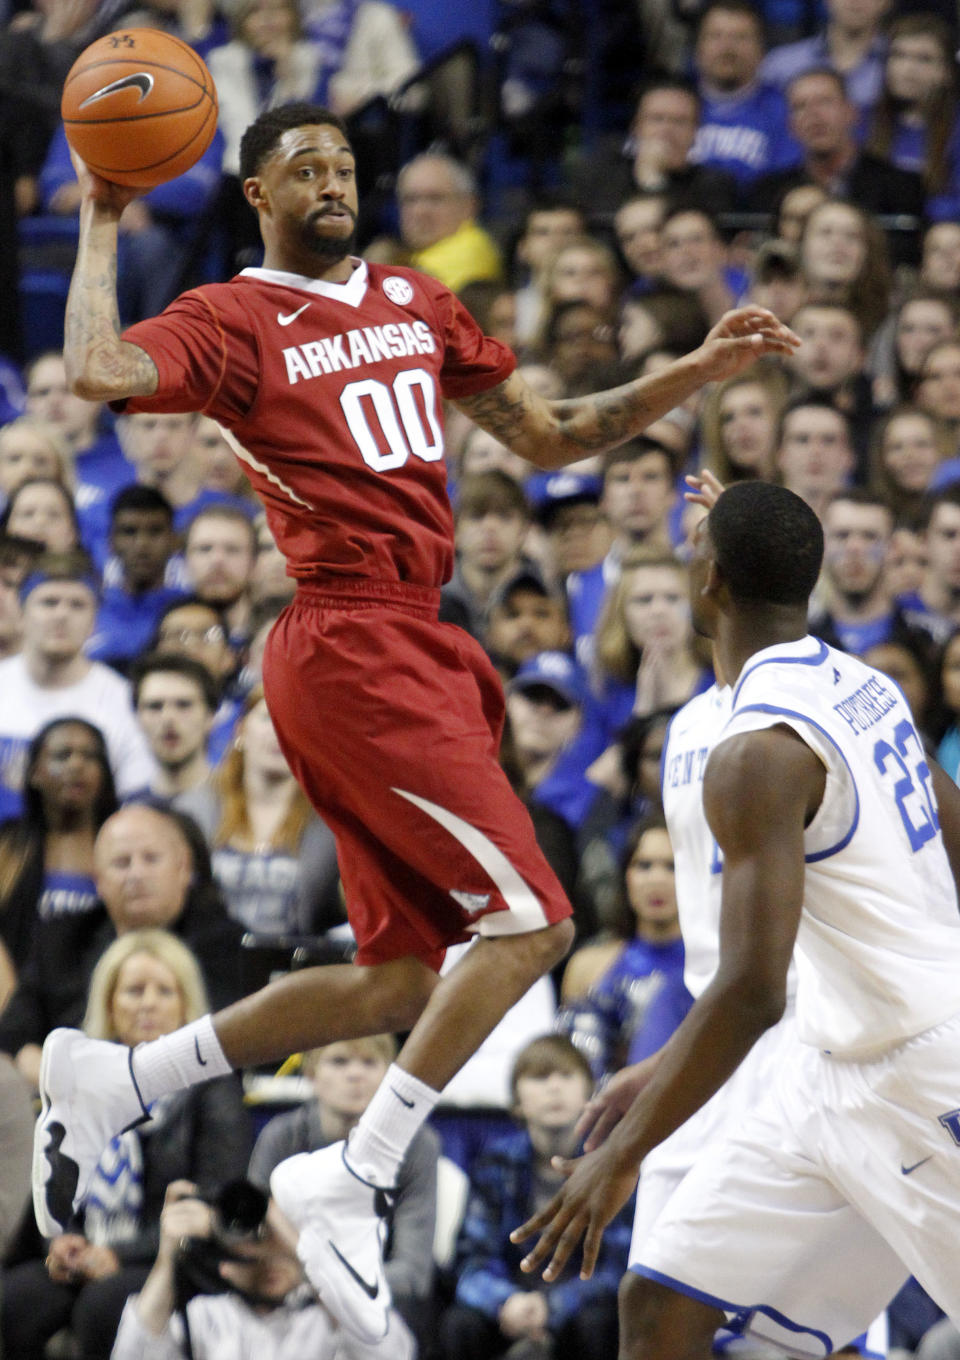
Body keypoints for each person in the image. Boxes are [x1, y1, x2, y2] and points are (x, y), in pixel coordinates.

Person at [34, 98, 797, 1350]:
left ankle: (120, 1076)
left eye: (342, 164)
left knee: (404, 975)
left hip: (420, 635)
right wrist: (104, 216)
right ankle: (354, 1171)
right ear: (257, 195)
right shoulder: (233, 318)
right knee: (538, 917)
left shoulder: (414, 301)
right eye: (302, 168)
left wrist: (697, 370)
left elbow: (551, 438)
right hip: (348, 638)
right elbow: (100, 371)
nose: (332, 180)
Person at [512, 477, 960, 1358]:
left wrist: (621, 1156)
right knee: (660, 1302)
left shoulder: (754, 754)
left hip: (918, 1071)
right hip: (823, 1069)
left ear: (707, 578)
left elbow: (751, 988)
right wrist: (671, 1067)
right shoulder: (862, 684)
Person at [1, 929, 250, 1360]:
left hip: (171, 1259)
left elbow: (212, 1199)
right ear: (110, 1005)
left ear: (187, 1005)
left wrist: (116, 1253)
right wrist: (63, 1240)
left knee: (104, 1309)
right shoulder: (81, 1082)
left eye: (164, 991)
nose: (148, 1003)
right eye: (134, 991)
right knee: (16, 1301)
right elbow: (55, 1175)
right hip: (87, 1250)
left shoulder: (213, 1088)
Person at [438, 1034, 632, 1360]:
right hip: (512, 1305)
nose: (554, 1087)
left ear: (590, 1093)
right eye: (540, 1077)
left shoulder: (610, 1166)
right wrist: (506, 1302)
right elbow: (472, 1259)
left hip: (579, 1309)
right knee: (460, 1324)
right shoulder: (495, 1162)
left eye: (567, 1076)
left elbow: (618, 1267)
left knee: (598, 1323)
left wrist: (552, 1306)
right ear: (517, 1101)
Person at [247, 1034, 438, 1349]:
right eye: (339, 1061)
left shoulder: (417, 1145)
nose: (355, 1074)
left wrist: (329, 1286)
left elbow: (414, 1273)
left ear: (391, 1077)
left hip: (377, 1299)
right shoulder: (279, 1137)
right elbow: (250, 1243)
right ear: (310, 1073)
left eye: (369, 1062)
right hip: (286, 1290)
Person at [110, 1176, 414, 1360]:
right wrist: (167, 1258)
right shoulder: (205, 1316)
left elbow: (393, 1353)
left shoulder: (327, 1318)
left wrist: (295, 1242)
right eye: (254, 1245)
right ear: (225, 1262)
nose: (268, 1258)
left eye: (276, 1242)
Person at [175, 686, 344, 939]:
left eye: (293, 723)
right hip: (210, 961)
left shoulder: (331, 821)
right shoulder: (195, 808)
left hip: (296, 967)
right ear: (241, 730)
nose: (279, 734)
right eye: (268, 719)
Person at [0, 554, 156, 819]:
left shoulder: (124, 700)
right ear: (22, 613)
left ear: (94, 620)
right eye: (49, 603)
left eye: (77, 605)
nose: (61, 615)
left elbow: (134, 804)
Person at [0, 717, 117, 989]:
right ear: (34, 773)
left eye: (90, 756)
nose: (76, 765)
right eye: (62, 755)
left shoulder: (123, 843)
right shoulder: (7, 845)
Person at [86, 486, 186, 668]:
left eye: (155, 531)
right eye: (129, 531)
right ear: (111, 542)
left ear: (174, 541)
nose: (142, 545)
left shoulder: (189, 611)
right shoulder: (89, 609)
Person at [132, 654, 218, 800]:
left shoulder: (238, 803)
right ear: (137, 717)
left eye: (183, 705)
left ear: (210, 716)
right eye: (155, 706)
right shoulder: (129, 810)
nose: (168, 718)